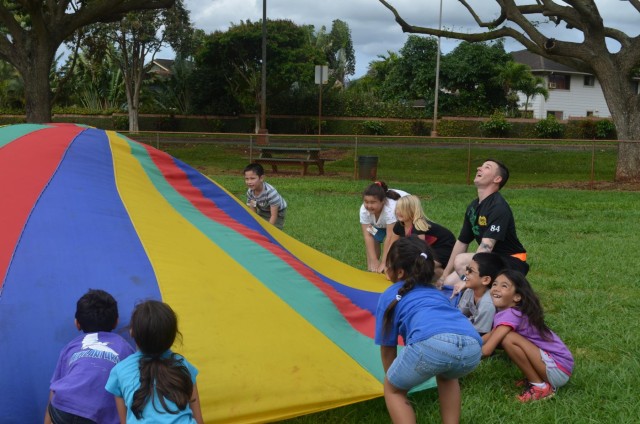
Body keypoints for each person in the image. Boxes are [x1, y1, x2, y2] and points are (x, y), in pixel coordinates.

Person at [375, 237, 482, 424]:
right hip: (472, 345)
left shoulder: (391, 295)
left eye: (388, 264)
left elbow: (387, 349)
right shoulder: (436, 292)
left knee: (393, 390)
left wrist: (394, 380)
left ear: (399, 272)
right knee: (448, 377)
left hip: (433, 344)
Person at [481, 269, 574, 402]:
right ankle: (538, 379)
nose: (496, 289)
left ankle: (540, 387)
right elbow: (491, 335)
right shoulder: (511, 311)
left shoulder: (511, 314)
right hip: (560, 368)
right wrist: (472, 341)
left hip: (558, 370)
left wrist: (461, 361)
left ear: (517, 297)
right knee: (507, 336)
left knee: (509, 338)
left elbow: (487, 350)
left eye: (504, 286)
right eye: (495, 284)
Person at [45, 289, 135, 424]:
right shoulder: (125, 347)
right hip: (99, 414)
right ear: (116, 321)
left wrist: (47, 421)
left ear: (77, 324)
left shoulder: (71, 346)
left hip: (63, 410)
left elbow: (55, 387)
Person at [105, 300, 204, 423]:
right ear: (173, 336)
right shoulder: (182, 364)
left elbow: (124, 421)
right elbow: (198, 419)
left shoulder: (119, 371)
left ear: (132, 332)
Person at [440, 159, 528, 295]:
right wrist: (444, 275)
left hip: (512, 261)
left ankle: (482, 300)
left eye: (487, 167)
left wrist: (466, 280)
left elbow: (486, 247)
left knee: (462, 261)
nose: (479, 168)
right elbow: (462, 242)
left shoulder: (498, 207)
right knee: (448, 283)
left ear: (497, 179)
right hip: (492, 258)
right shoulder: (473, 207)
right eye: (481, 166)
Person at [393, 194, 455, 281]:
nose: (398, 212)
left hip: (444, 246)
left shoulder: (418, 227)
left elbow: (420, 251)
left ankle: (445, 275)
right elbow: (395, 247)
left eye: (402, 209)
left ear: (412, 210)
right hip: (429, 247)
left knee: (421, 267)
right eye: (397, 209)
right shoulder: (399, 225)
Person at [359, 180, 408, 273]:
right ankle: (372, 269)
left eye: (373, 202)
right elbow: (367, 235)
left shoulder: (390, 209)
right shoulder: (363, 210)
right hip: (380, 223)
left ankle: (392, 268)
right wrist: (374, 260)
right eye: (366, 202)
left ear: (383, 201)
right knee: (372, 235)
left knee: (395, 248)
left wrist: (384, 262)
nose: (369, 206)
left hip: (402, 221)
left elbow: (390, 238)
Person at [457, 252, 505, 336]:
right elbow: (458, 314)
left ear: (485, 280)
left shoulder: (487, 303)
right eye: (467, 268)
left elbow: (480, 334)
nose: (466, 273)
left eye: (471, 271)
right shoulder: (470, 291)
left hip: (483, 336)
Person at [244, 163, 287, 229]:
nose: (249, 182)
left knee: (274, 231)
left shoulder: (271, 193)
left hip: (277, 212)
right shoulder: (250, 192)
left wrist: (268, 230)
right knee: (259, 227)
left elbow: (273, 215)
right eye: (247, 179)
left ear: (261, 178)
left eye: (252, 178)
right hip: (263, 210)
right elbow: (253, 210)